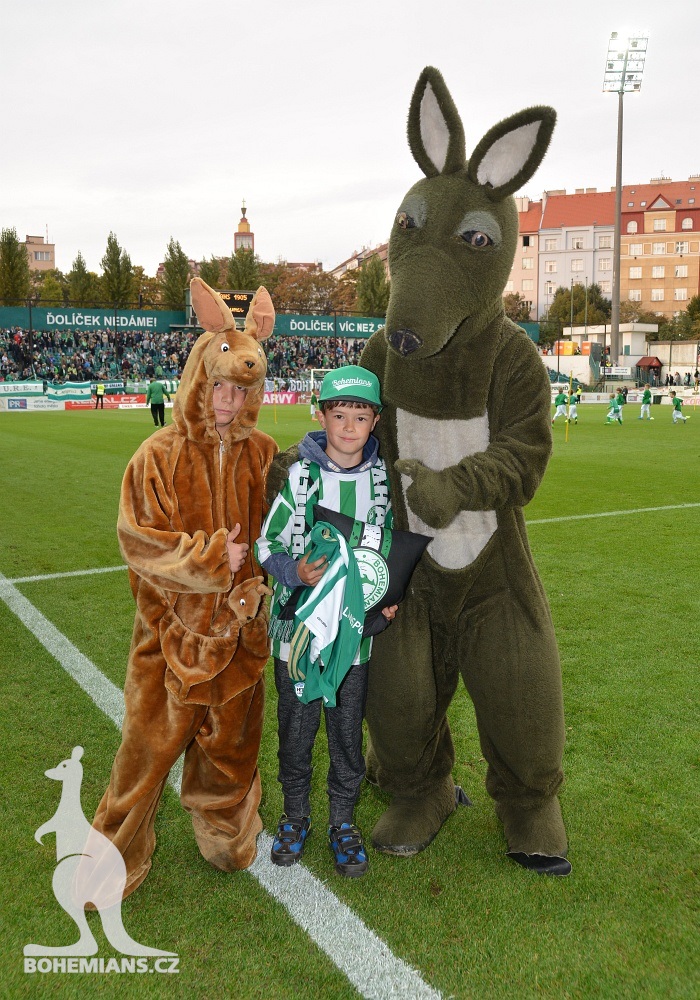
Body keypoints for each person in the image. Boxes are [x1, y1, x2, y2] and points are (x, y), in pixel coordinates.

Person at [89, 279, 277, 902]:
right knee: (143, 758)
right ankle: (110, 858)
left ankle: (225, 830)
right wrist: (210, 560)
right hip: (167, 642)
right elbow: (139, 541)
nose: (228, 400)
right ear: (199, 378)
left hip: (242, 640)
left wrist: (258, 588)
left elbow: (283, 534)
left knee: (231, 751)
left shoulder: (265, 456)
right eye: (219, 385)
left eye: (240, 390)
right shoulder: (156, 454)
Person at [256, 366, 396, 878]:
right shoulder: (299, 477)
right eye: (340, 415)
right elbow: (263, 544)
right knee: (296, 731)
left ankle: (342, 821)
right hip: (297, 635)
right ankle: (295, 816)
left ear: (374, 421)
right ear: (322, 415)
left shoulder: (382, 482)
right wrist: (293, 570)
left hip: (353, 641)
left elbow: (386, 554)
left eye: (361, 416)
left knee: (345, 733)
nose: (349, 427)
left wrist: (386, 598)